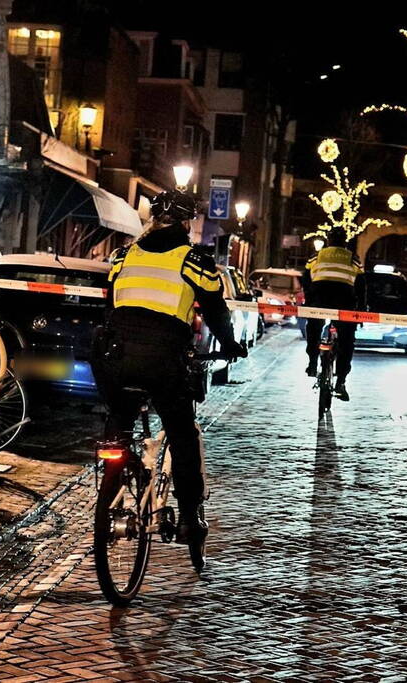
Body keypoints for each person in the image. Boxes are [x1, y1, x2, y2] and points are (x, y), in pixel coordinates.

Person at [94, 190, 247, 545]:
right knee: (182, 434)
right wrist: (229, 345)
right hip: (162, 359)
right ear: (185, 222)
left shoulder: (123, 255)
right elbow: (215, 310)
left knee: (118, 422)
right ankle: (190, 518)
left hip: (115, 356)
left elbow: (112, 302)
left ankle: (109, 495)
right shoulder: (192, 259)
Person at [301, 228, 365, 402]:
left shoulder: (317, 256)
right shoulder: (353, 259)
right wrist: (361, 310)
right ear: (345, 242)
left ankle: (313, 363)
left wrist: (309, 298)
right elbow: (361, 286)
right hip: (344, 303)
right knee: (346, 341)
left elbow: (306, 278)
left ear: (329, 240)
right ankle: (341, 382)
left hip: (319, 301)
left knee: (313, 328)